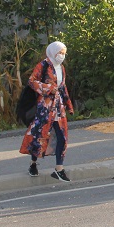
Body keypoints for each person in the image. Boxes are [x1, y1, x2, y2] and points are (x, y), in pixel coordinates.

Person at [20, 41, 74, 182]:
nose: (62, 56)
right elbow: (32, 81)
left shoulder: (61, 68)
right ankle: (33, 163)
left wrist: (69, 104)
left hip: (58, 107)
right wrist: (48, 88)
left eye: (63, 53)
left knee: (62, 136)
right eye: (60, 53)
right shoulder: (43, 65)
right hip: (44, 108)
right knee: (39, 135)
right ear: (53, 52)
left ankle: (59, 168)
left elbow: (63, 87)